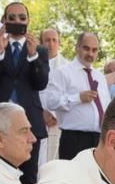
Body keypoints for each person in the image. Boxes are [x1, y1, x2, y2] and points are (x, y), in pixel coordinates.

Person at [0, 2, 49, 184]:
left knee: (28, 177)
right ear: (4, 21)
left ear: (28, 21)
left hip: (29, 121)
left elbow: (41, 83)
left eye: (22, 18)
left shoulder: (40, 50)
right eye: (12, 18)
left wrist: (33, 55)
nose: (17, 21)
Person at [42, 31, 110, 160]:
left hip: (99, 139)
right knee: (74, 179)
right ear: (77, 47)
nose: (90, 54)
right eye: (86, 48)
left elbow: (105, 105)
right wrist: (77, 98)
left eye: (94, 50)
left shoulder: (99, 76)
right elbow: (51, 101)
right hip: (74, 139)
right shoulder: (63, 72)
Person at [37, 26, 65, 166]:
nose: (51, 44)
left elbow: (69, 94)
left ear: (59, 43)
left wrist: (54, 114)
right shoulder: (33, 64)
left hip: (59, 121)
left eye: (54, 40)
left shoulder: (68, 67)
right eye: (47, 40)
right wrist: (42, 112)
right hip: (37, 119)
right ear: (41, 43)